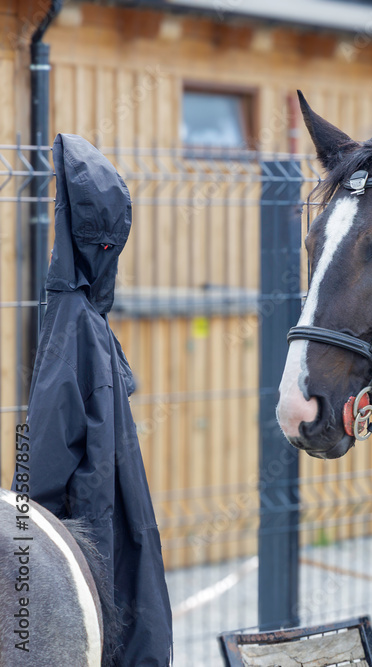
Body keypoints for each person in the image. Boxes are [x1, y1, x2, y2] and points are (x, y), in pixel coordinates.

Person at [26, 134, 172, 665]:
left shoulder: (71, 325)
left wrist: (26, 545)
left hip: (86, 536)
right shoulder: (84, 322)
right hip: (100, 527)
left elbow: (41, 457)